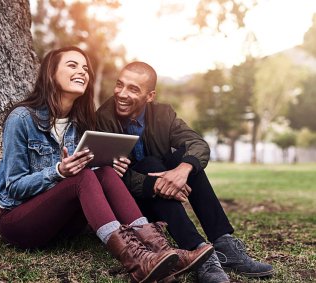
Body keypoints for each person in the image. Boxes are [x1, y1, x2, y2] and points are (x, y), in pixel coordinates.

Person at [0, 47, 214, 283]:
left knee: (106, 172)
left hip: (63, 227)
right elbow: (14, 187)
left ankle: (159, 250)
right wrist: (58, 172)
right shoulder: (22, 119)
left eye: (85, 68)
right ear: (50, 73)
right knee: (83, 178)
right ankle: (137, 260)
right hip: (21, 224)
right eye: (72, 65)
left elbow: (94, 177)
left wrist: (111, 167)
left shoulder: (81, 124)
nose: (82, 72)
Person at [96, 61, 275, 283]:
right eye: (120, 85)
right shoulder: (103, 118)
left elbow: (198, 143)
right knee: (151, 164)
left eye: (133, 89)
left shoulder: (163, 114)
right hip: (133, 207)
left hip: (162, 198)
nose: (121, 94)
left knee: (187, 159)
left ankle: (223, 243)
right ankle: (199, 253)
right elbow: (110, 176)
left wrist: (183, 170)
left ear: (150, 96)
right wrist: (159, 185)